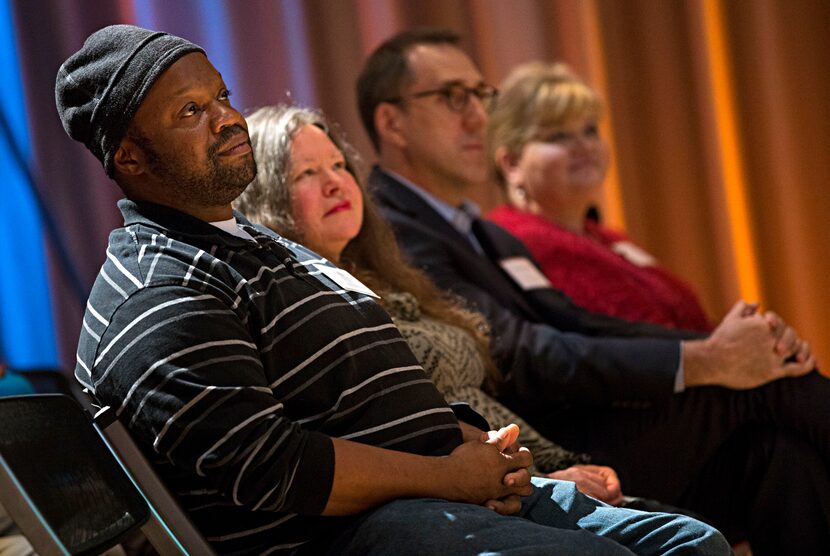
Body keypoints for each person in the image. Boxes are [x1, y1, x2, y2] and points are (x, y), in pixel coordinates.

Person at [57, 24, 730, 556]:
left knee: (695, 542)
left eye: (223, 96)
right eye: (191, 111)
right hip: (361, 533)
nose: (227, 119)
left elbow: (360, 396)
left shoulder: (252, 242)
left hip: (442, 494)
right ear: (131, 158)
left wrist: (474, 444)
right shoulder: (160, 288)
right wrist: (449, 475)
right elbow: (273, 467)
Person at [357, 27, 830, 552]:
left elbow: (581, 321)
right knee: (768, 389)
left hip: (592, 420)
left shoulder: (481, 229)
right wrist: (704, 361)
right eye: (451, 97)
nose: (477, 116)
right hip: (538, 446)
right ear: (391, 121)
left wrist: (712, 349)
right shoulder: (389, 226)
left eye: (480, 95)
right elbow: (514, 351)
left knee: (777, 453)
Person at [234, 103, 658, 507]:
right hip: (486, 494)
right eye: (307, 173)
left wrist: (563, 467)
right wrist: (546, 481)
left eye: (339, 165)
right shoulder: (309, 310)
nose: (335, 183)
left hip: (540, 468)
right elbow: (399, 442)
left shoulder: (393, 281)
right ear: (265, 197)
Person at [488, 61, 710, 332]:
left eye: (590, 130)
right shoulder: (512, 241)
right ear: (512, 163)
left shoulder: (609, 238)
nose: (584, 145)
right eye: (558, 136)